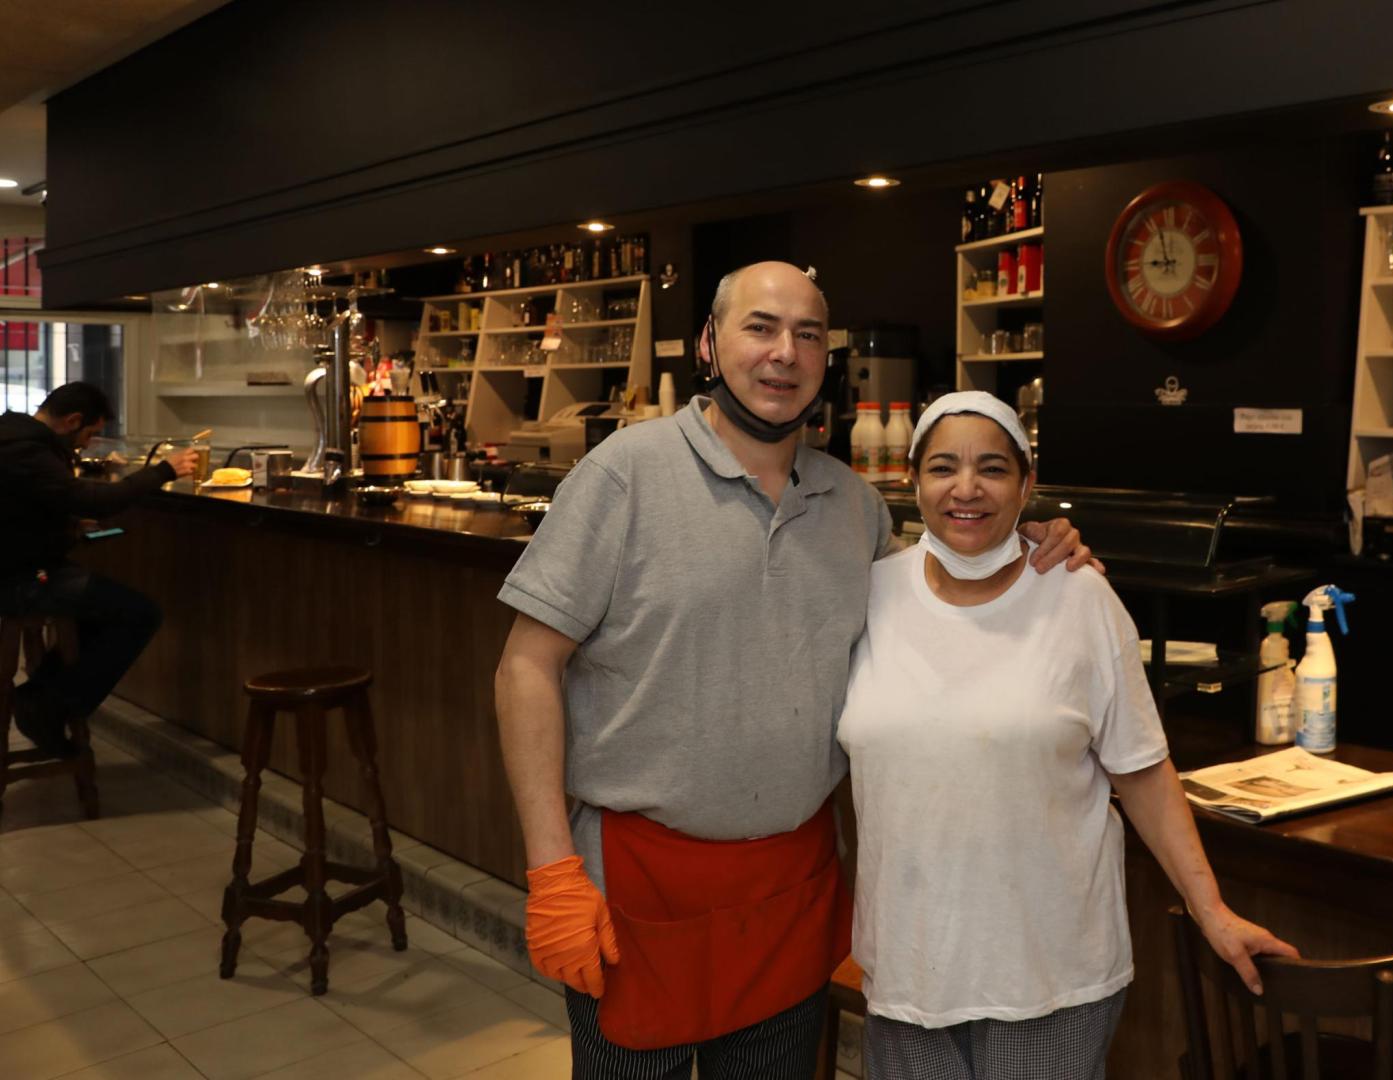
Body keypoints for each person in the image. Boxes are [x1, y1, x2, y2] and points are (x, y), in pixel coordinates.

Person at [493, 262, 1091, 1079]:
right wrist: (552, 871)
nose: (785, 353)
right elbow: (525, 666)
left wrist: (1032, 548)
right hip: (638, 889)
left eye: (808, 335)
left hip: (791, 891)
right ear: (709, 344)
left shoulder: (854, 506)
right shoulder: (624, 475)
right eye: (761, 328)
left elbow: (943, 603)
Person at [837, 392, 1297, 1080]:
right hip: (907, 974)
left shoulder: (1081, 598)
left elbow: (1143, 772)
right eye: (943, 467)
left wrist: (1213, 912)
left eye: (993, 468)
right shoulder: (869, 596)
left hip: (1048, 978)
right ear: (913, 480)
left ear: (1027, 486)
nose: (967, 488)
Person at [0, 382, 200, 756]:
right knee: (140, 613)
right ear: (73, 420)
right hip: (21, 579)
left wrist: (68, 527)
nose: (87, 444)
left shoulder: (14, 437)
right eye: (89, 434)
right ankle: (47, 704)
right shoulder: (27, 449)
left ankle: (41, 696)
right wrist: (163, 471)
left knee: (97, 610)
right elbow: (94, 500)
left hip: (21, 569)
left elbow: (22, 509)